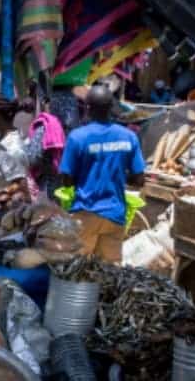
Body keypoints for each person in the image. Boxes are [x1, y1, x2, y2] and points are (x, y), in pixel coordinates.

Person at [59, 85, 146, 263]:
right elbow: (139, 180)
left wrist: (85, 176)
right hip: (115, 214)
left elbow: (66, 180)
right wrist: (118, 175)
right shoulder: (128, 137)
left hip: (85, 213)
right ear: (112, 108)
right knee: (109, 273)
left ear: (88, 108)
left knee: (77, 270)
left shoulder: (77, 137)